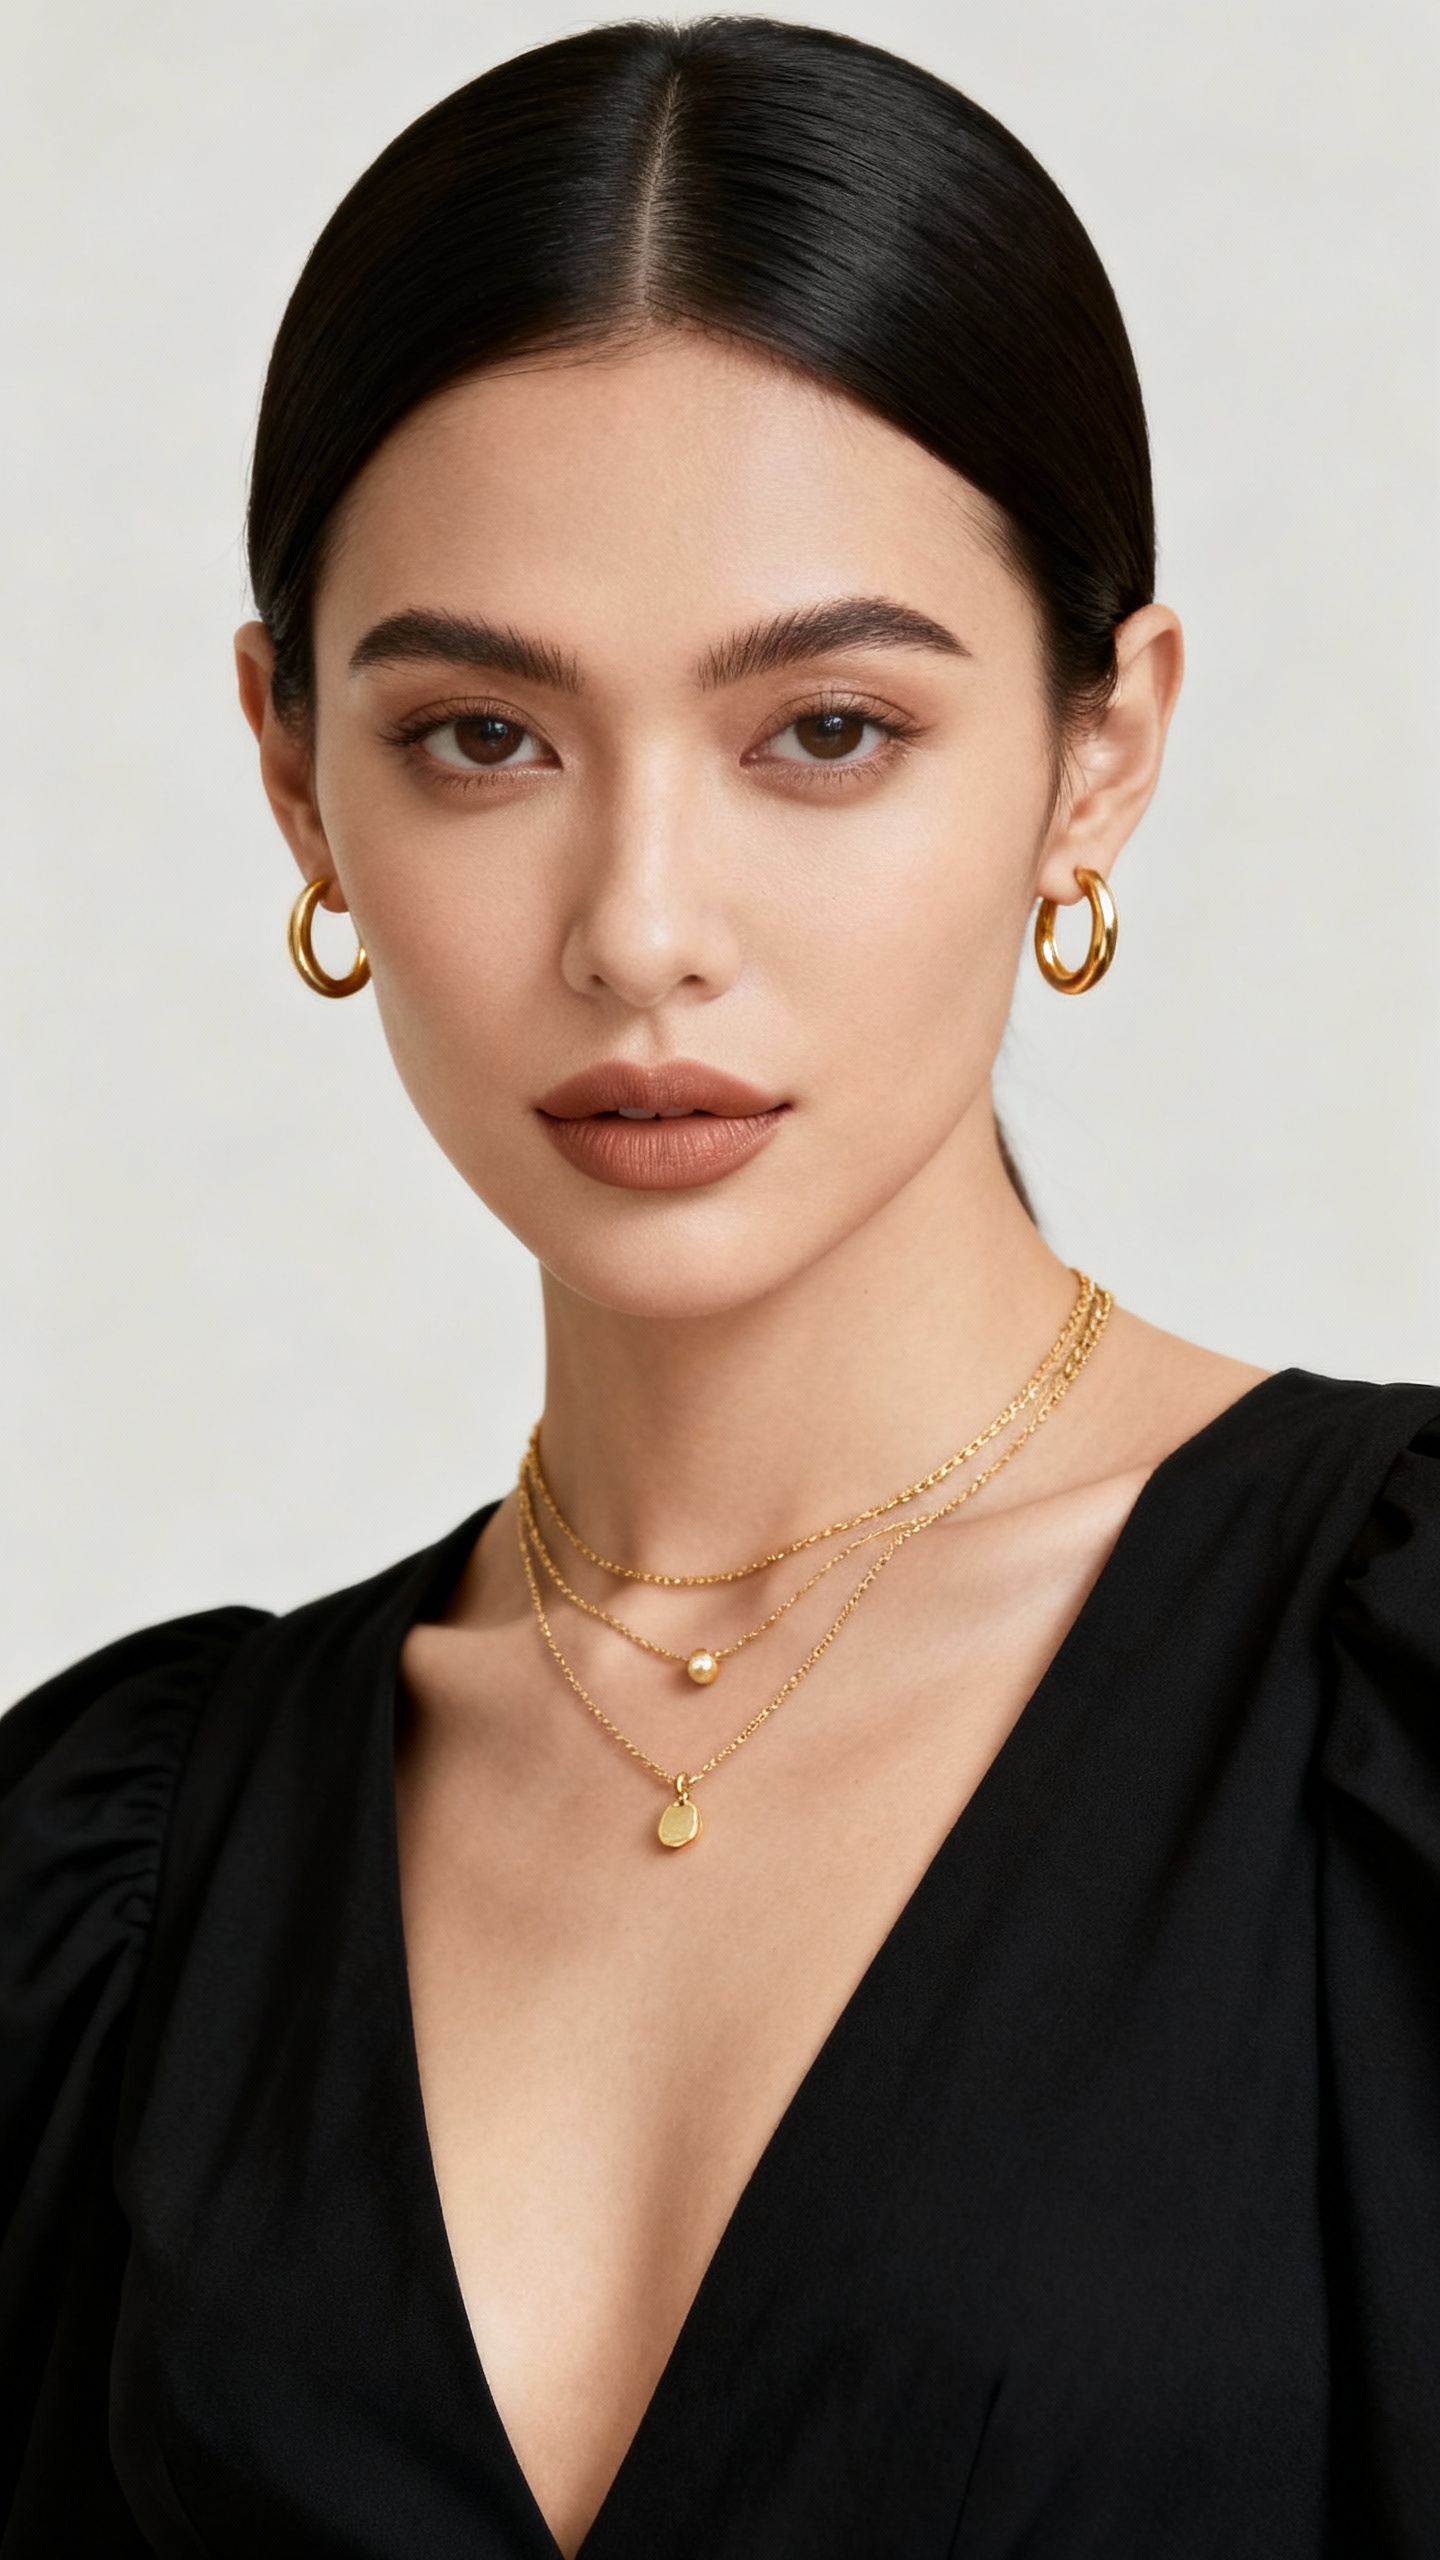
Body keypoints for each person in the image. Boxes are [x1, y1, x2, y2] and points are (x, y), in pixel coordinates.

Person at [2, 18, 1435, 2556]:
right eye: (478, 737)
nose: (643, 931)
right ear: (286, 762)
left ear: (1104, 745)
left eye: (825, 729)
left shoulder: (1396, 1692)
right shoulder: (110, 1886)